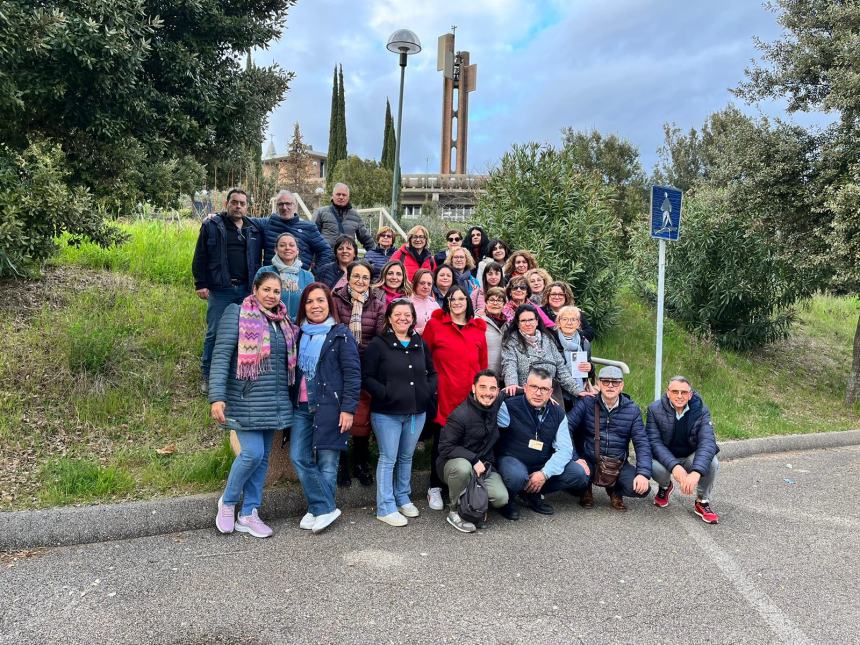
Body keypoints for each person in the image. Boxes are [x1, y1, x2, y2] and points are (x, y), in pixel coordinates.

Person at [209, 267, 297, 538]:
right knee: (252, 454)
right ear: (255, 290)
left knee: (262, 461)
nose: (271, 295)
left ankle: (249, 513)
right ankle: (229, 501)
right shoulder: (236, 314)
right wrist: (217, 397)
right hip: (244, 398)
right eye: (266, 290)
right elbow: (221, 355)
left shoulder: (283, 321)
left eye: (276, 291)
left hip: (274, 401)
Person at [288, 283, 361, 533]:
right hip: (301, 407)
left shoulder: (340, 334)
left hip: (331, 406)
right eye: (309, 301)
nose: (315, 306)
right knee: (299, 457)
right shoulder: (298, 334)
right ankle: (323, 508)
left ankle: (317, 509)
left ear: (329, 304)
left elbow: (352, 374)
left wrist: (349, 408)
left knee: (328, 463)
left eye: (320, 300)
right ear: (303, 307)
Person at [363, 299, 437, 526]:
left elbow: (432, 373)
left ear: (413, 319)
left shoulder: (419, 342)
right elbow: (366, 377)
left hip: (416, 412)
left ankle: (402, 496)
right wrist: (385, 393)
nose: (403, 318)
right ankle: (385, 507)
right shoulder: (378, 344)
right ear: (389, 318)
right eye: (398, 314)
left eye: (407, 315)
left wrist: (426, 392)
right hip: (387, 413)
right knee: (388, 458)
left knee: (406, 457)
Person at [422, 285, 488, 511]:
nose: (457, 302)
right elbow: (424, 359)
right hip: (444, 395)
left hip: (470, 398)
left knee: (468, 442)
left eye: (461, 298)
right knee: (442, 443)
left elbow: (483, 366)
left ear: (468, 302)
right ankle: (434, 487)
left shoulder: (478, 330)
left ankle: (465, 485)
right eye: (453, 298)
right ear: (447, 301)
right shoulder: (435, 326)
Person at [192, 188, 264, 392]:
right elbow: (200, 256)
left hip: (247, 290)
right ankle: (207, 375)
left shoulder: (253, 228)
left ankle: (235, 375)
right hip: (221, 289)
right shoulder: (212, 225)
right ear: (227, 204)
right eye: (234, 202)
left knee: (245, 333)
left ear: (247, 206)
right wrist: (201, 283)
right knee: (215, 332)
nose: (238, 206)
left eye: (242, 203)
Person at [495, 367, 589, 520]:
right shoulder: (509, 406)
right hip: (512, 461)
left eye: (544, 389)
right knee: (516, 476)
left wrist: (544, 474)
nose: (538, 393)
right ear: (525, 387)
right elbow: (487, 408)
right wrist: (506, 393)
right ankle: (509, 498)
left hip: (540, 465)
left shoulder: (558, 412)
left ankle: (532, 493)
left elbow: (565, 449)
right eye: (534, 387)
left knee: (578, 474)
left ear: (550, 392)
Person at [566, 366, 653, 511]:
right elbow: (566, 427)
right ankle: (585, 489)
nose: (610, 386)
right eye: (606, 382)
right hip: (589, 460)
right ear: (599, 384)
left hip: (616, 463)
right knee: (572, 478)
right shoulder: (587, 403)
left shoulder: (632, 410)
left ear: (622, 385)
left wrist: (643, 473)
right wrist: (575, 457)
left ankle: (615, 489)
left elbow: (642, 443)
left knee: (641, 488)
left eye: (615, 382)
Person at [332, 260, 386, 487]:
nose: (361, 281)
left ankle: (361, 462)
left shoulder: (377, 303)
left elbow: (381, 333)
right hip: (339, 364)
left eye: (365, 277)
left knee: (362, 416)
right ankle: (341, 462)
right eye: (357, 276)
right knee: (340, 414)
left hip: (366, 365)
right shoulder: (336, 299)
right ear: (349, 276)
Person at [437, 370, 510, 533]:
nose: (488, 393)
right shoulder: (460, 415)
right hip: (454, 466)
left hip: (483, 467)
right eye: (482, 387)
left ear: (497, 391)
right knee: (463, 468)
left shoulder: (495, 403)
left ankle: (473, 500)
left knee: (501, 498)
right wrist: (473, 459)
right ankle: (454, 511)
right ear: (473, 388)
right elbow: (445, 447)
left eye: (492, 389)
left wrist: (546, 398)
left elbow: (512, 392)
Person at [647, 376, 720, 524]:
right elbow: (654, 443)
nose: (679, 396)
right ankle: (665, 486)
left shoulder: (701, 410)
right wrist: (675, 467)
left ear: (690, 394)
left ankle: (702, 501)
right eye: (675, 391)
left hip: (689, 456)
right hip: (665, 458)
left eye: (684, 392)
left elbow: (708, 442)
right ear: (668, 393)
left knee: (711, 461)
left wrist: (696, 472)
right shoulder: (654, 409)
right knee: (651, 465)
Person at [501, 304, 585, 402]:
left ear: (537, 321)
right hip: (526, 396)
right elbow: (509, 364)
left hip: (552, 394)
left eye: (531, 320)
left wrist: (578, 390)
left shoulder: (547, 339)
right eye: (523, 321)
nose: (528, 324)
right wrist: (512, 385)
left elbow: (561, 368)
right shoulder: (511, 342)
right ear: (518, 323)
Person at [256, 190, 333, 270]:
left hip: (299, 279)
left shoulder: (309, 228)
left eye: (288, 203)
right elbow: (246, 221)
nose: (284, 207)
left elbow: (325, 250)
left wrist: (317, 273)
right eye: (281, 204)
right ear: (277, 206)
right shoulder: (267, 224)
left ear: (295, 205)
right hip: (272, 279)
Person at [550, 305, 594, 411]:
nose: (569, 323)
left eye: (573, 319)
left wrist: (590, 368)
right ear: (558, 322)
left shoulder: (584, 342)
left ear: (578, 323)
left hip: (581, 389)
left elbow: (590, 372)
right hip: (557, 391)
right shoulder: (551, 341)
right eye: (565, 319)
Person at [313, 183, 376, 251]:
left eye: (344, 195)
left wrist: (376, 255)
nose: (341, 197)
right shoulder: (321, 212)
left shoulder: (355, 216)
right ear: (332, 196)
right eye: (338, 194)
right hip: (326, 258)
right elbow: (312, 236)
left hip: (347, 258)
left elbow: (366, 239)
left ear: (348, 197)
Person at [269, 233, 315, 320]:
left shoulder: (308, 276)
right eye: (282, 245)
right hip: (270, 324)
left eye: (291, 245)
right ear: (276, 249)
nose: (287, 248)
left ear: (297, 250)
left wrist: (296, 321)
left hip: (298, 325)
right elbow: (257, 301)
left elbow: (311, 304)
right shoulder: (265, 272)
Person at [478, 287, 507, 375]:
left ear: (504, 304)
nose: (495, 303)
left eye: (499, 300)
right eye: (491, 300)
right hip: (484, 374)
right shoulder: (478, 322)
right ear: (486, 303)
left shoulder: (508, 324)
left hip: (504, 373)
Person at [410, 269, 440, 334]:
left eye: (429, 284)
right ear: (414, 283)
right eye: (422, 283)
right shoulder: (407, 304)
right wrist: (418, 331)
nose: (426, 287)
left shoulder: (435, 304)